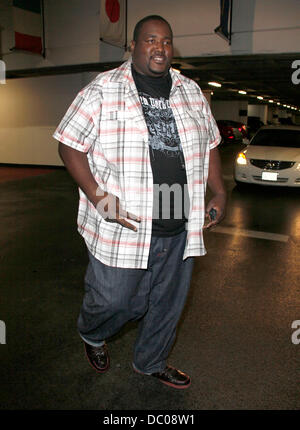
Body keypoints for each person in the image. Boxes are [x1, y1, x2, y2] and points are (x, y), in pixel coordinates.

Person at [53, 15, 226, 390]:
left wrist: (220, 190)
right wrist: (97, 195)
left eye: (166, 41)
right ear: (133, 46)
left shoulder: (190, 91)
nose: (159, 48)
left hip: (180, 221)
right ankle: (92, 332)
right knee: (116, 301)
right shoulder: (103, 90)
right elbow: (69, 143)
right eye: (150, 40)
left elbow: (211, 142)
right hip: (125, 222)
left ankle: (151, 361)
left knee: (167, 304)